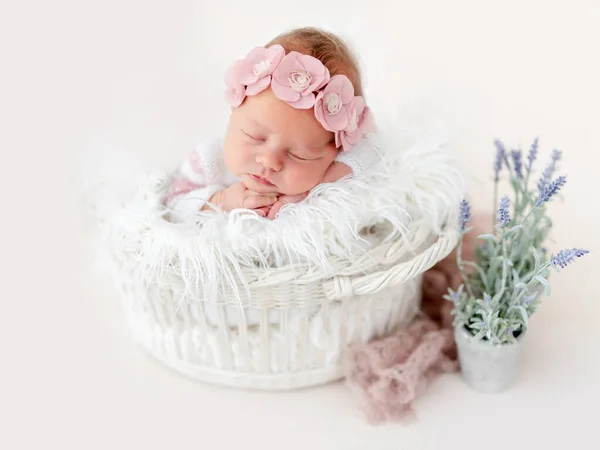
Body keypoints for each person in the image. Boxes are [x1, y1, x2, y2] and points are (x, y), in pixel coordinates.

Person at [165, 27, 382, 221]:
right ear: (235, 112)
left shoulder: (334, 167)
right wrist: (221, 201)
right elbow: (173, 204)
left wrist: (317, 186)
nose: (269, 161)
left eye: (298, 155)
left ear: (335, 152)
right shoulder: (210, 159)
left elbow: (372, 153)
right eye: (255, 137)